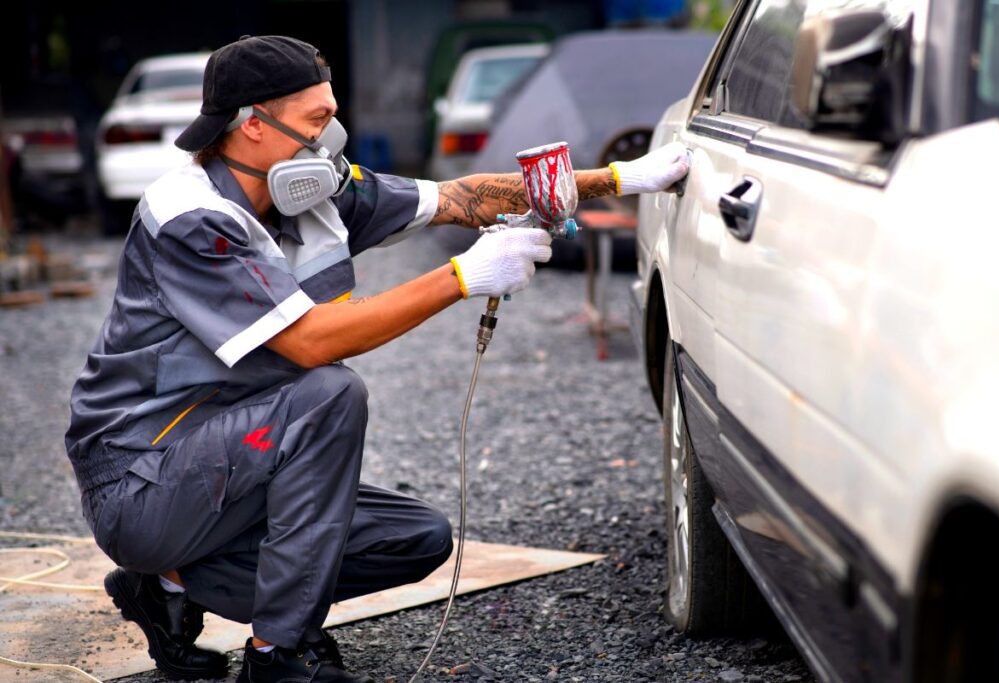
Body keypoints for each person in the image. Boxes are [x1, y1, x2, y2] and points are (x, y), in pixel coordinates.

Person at [65, 35, 691, 683]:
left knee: (415, 538)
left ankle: (169, 587)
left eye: (331, 114)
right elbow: (310, 341)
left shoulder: (309, 191)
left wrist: (621, 179)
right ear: (252, 126)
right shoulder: (196, 218)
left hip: (237, 457)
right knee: (328, 392)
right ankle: (278, 654)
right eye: (314, 121)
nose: (329, 137)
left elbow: (460, 197)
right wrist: (461, 277)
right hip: (143, 478)